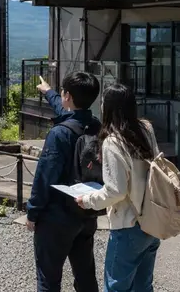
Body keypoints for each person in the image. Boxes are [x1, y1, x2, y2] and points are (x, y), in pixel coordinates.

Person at [76, 83, 161, 292]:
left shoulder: (113, 141)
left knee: (116, 288)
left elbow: (116, 190)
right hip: (152, 221)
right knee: (143, 287)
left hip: (128, 225)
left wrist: (87, 200)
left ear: (108, 108)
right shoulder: (146, 129)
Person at [27, 72, 101, 292]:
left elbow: (45, 176)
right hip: (86, 212)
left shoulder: (59, 134)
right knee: (86, 276)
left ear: (67, 96)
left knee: (48, 280)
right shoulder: (96, 127)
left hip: (56, 218)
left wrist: (33, 212)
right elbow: (68, 113)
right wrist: (48, 91)